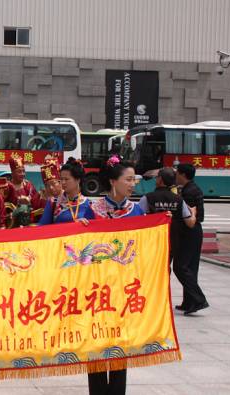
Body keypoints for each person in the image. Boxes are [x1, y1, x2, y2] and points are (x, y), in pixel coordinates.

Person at [88, 159, 145, 395]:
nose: (133, 184)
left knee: (120, 345)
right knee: (96, 342)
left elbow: (144, 248)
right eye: (128, 179)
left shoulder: (138, 211)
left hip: (124, 288)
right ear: (113, 182)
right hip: (96, 288)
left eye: (134, 180)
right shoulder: (91, 210)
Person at [174, 163, 209, 315]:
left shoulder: (189, 192)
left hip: (190, 231)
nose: (176, 176)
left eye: (177, 173)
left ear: (183, 175)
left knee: (180, 267)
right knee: (190, 268)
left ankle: (198, 299)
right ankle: (189, 302)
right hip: (195, 231)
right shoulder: (193, 188)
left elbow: (187, 216)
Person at [38, 158, 94, 225]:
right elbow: (42, 228)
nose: (63, 182)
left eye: (66, 179)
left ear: (78, 180)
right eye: (61, 179)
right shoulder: (54, 203)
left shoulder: (89, 204)